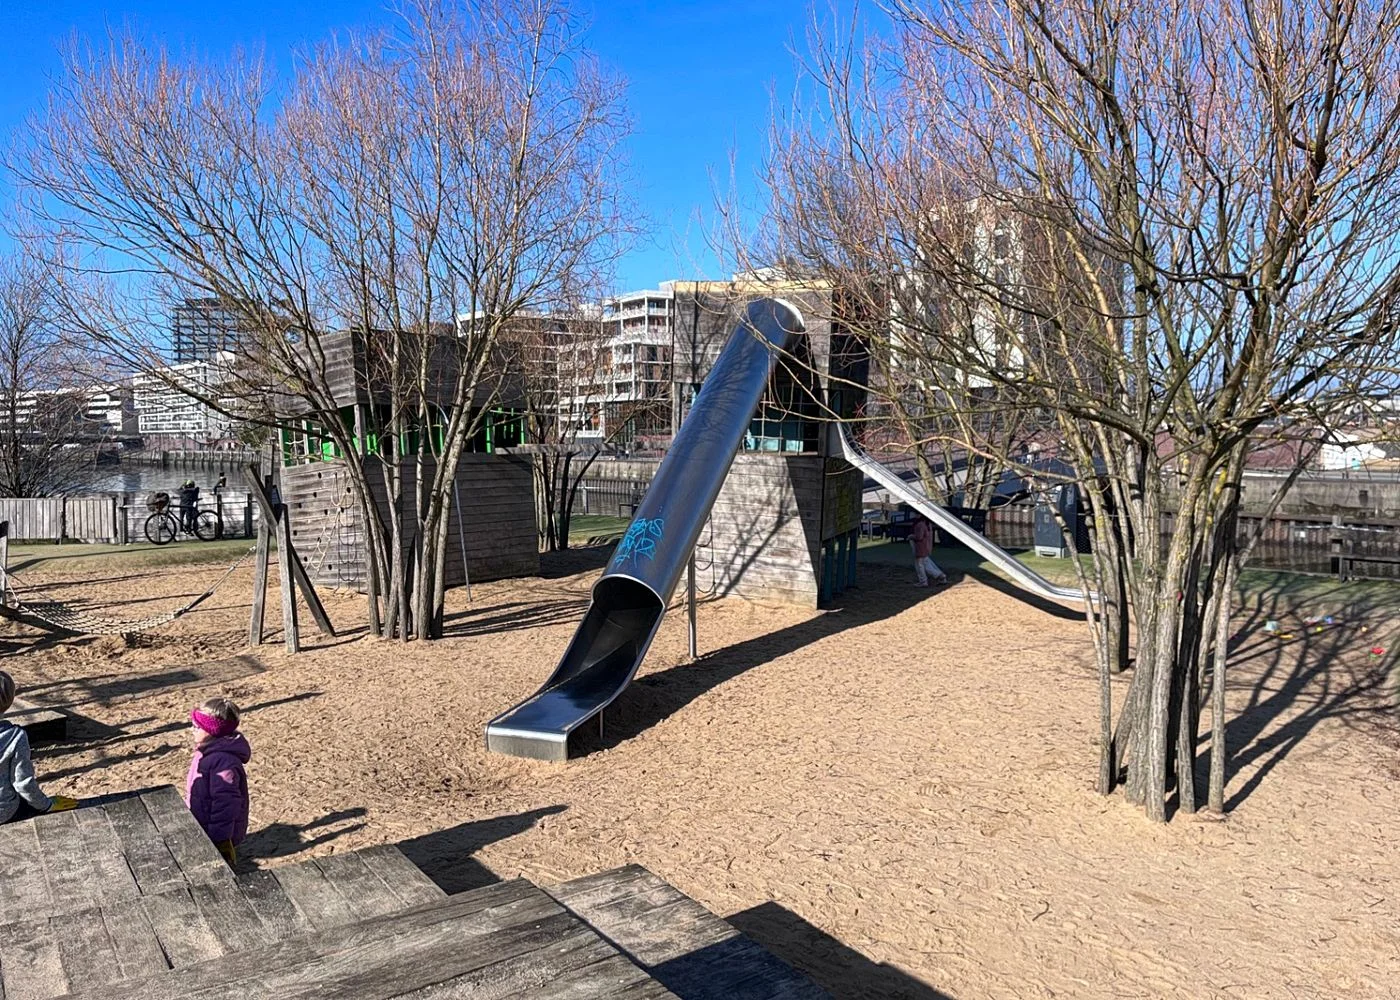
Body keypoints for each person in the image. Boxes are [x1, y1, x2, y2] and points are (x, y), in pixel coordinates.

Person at [0, 671, 78, 824]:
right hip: (4, 811)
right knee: (27, 804)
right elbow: (23, 784)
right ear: (10, 701)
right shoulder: (15, 737)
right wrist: (47, 805)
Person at [185, 696, 251, 866]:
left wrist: (219, 839)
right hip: (203, 824)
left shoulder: (223, 762)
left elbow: (226, 803)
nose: (192, 730)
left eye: (197, 726)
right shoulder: (206, 751)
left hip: (215, 834)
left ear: (211, 730)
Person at [910, 515, 948, 587]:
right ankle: (940, 576)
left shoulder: (920, 524)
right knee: (927, 564)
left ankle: (923, 581)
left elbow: (919, 537)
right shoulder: (927, 524)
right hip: (925, 547)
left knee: (920, 565)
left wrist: (911, 536)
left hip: (920, 547)